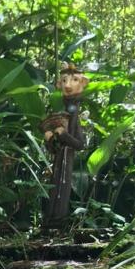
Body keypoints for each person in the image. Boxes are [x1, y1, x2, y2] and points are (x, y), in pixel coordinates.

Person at [41, 63, 89, 226]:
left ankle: (57, 222)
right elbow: (54, 149)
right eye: (64, 80)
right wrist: (50, 138)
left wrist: (64, 134)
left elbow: (80, 144)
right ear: (59, 84)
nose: (68, 85)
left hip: (67, 157)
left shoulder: (74, 112)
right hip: (59, 159)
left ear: (82, 83)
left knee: (62, 187)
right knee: (55, 187)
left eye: (74, 80)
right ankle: (50, 222)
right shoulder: (66, 111)